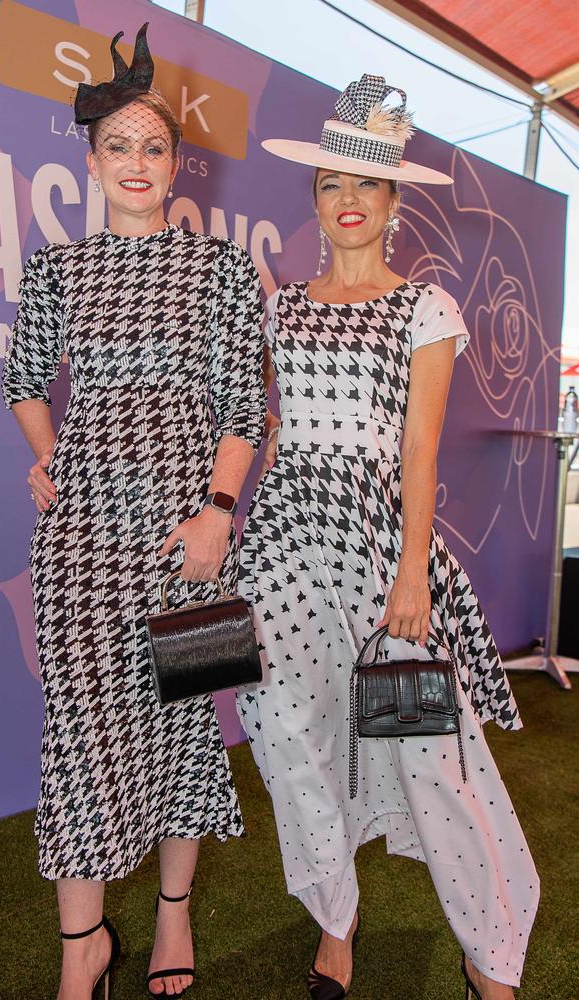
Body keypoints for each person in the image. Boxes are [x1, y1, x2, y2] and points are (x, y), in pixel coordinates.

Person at [237, 74, 539, 1000]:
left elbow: (417, 449)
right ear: (314, 199)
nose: (349, 201)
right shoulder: (278, 304)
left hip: (381, 556)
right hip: (285, 548)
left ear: (395, 201)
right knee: (290, 737)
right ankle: (337, 922)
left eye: (367, 184)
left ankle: (492, 942)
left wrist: (413, 574)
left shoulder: (427, 308)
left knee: (428, 752)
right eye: (331, 184)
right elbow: (272, 433)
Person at [2, 23, 266, 1000]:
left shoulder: (222, 270)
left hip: (190, 536)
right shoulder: (56, 270)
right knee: (78, 724)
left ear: (175, 160)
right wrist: (47, 458)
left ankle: (170, 915)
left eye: (153, 146)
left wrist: (215, 512)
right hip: (81, 544)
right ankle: (83, 947)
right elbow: (25, 381)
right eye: (118, 145)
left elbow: (246, 407)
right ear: (93, 158)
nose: (137, 162)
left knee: (188, 717)